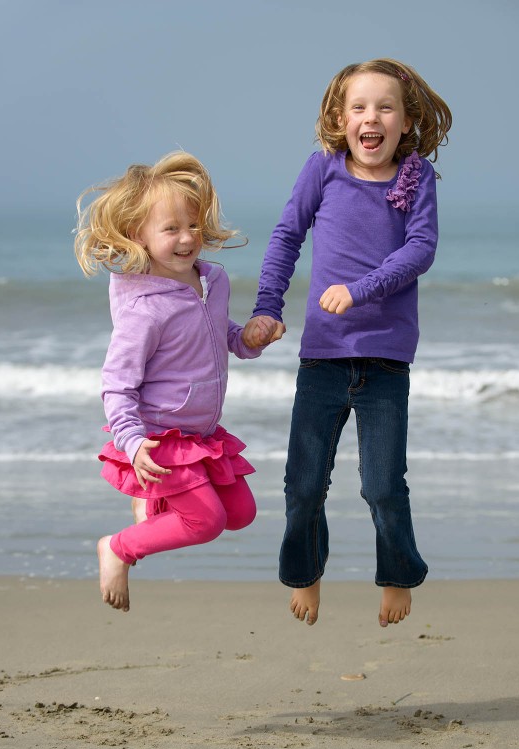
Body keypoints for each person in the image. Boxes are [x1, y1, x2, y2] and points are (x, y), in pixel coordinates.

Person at [243, 58, 452, 628]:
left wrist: (360, 291)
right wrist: (266, 309)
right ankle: (306, 571)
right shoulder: (323, 170)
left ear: (406, 121)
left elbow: (420, 250)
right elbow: (286, 235)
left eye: (385, 107)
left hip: (385, 359)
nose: (372, 118)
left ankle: (398, 575)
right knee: (304, 482)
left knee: (382, 485)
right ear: (341, 118)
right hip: (323, 357)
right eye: (360, 107)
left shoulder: (417, 179)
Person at [75, 152, 282, 612]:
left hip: (202, 434)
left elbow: (217, 336)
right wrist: (131, 442)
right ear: (139, 237)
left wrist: (249, 339)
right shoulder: (143, 309)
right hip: (160, 438)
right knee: (205, 522)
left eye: (193, 225)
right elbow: (116, 384)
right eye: (171, 229)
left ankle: (153, 508)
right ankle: (118, 547)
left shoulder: (212, 281)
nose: (188, 238)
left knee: (240, 514)